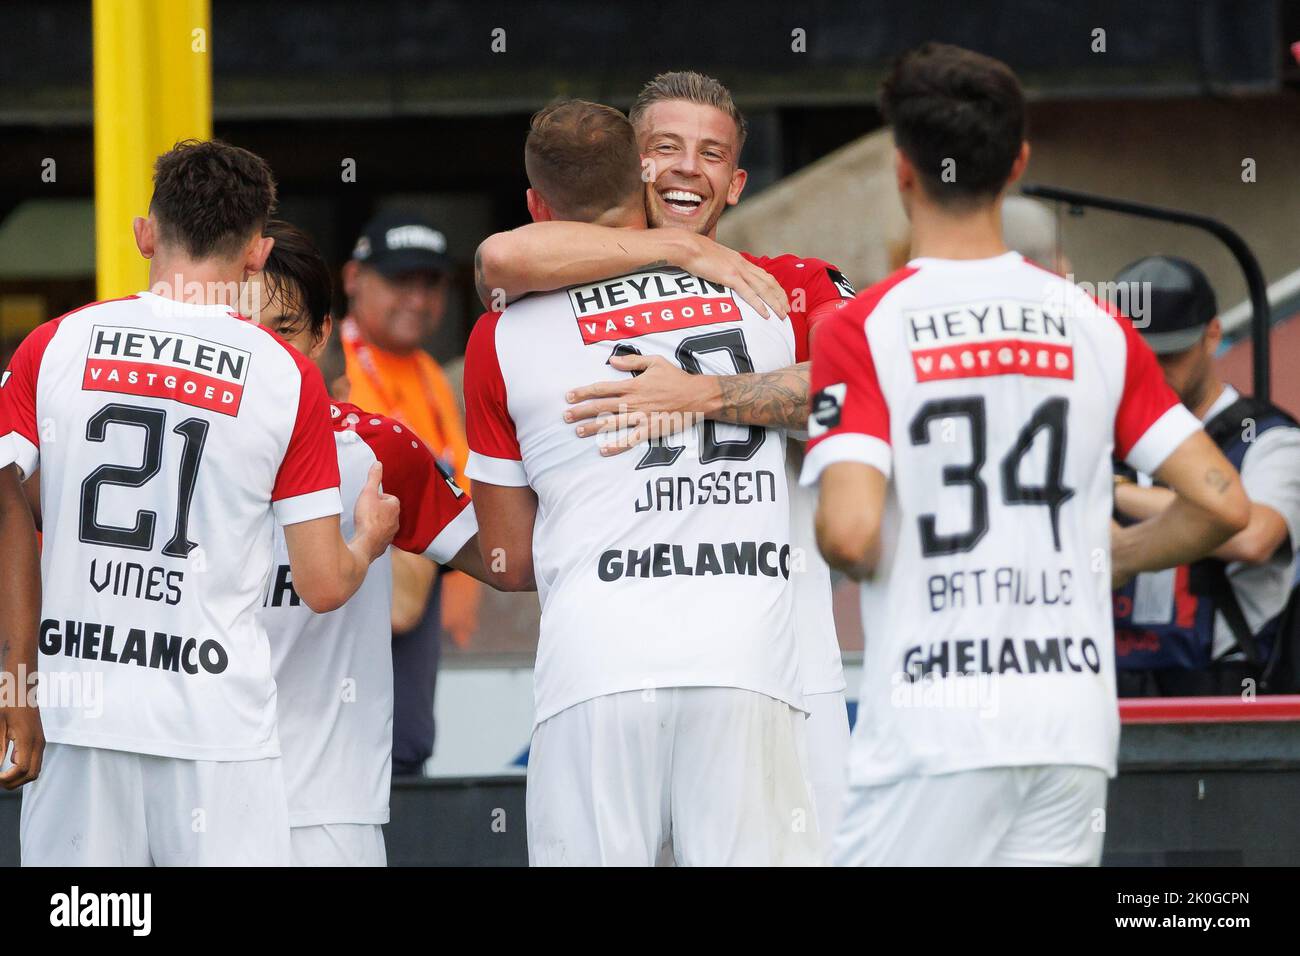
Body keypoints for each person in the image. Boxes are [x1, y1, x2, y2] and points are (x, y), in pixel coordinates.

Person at [801, 44, 1249, 867]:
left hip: (935, 730)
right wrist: (1107, 556)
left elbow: (851, 535)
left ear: (902, 171)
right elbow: (1224, 500)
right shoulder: (1095, 324)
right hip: (1071, 725)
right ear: (1019, 166)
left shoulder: (862, 326)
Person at [474, 70, 855, 852]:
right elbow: (501, 257)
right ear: (630, 168)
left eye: (712, 154)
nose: (688, 168)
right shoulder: (529, 302)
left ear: (739, 182)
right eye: (665, 148)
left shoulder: (786, 287)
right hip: (711, 666)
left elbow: (865, 396)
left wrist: (708, 394)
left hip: (785, 668)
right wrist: (677, 248)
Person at [7, 139, 399, 866]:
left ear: (145, 234)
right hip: (215, 731)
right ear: (256, 253)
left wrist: (16, 687)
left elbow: (8, 502)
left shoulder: (53, 345)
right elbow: (321, 585)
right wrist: (371, 539)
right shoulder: (286, 377)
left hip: (78, 714)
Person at [254, 221, 497, 865]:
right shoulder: (170, 441)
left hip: (331, 801)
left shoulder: (390, 426)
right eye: (399, 281)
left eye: (284, 332)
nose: (265, 352)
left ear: (320, 334)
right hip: (199, 784)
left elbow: (510, 562)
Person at [1111, 256, 1300, 695]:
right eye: (1140, 356)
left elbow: (1254, 536)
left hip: (1227, 689)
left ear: (1212, 335)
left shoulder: (1269, 438)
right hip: (1113, 686)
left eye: (1171, 354)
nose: (1154, 372)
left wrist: (1114, 493)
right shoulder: (1098, 435)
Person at [341, 210, 478, 775]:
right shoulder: (329, 360)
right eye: (400, 282)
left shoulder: (430, 375)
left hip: (417, 589)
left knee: (410, 746)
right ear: (353, 278)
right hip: (347, 581)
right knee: (355, 754)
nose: (417, 300)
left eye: (430, 284)